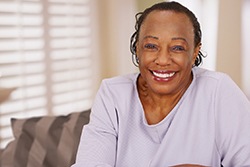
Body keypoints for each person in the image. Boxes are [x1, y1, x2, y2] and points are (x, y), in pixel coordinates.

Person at [72, 1, 250, 167]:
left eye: (177, 48)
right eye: (151, 46)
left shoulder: (218, 90)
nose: (163, 60)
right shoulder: (113, 94)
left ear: (195, 51)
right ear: (137, 48)